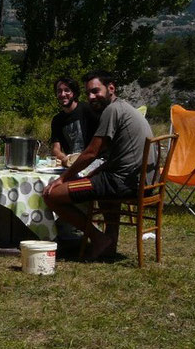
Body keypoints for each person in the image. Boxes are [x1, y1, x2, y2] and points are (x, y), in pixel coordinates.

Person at [42, 70, 155, 260]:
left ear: (111, 88)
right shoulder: (125, 108)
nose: (92, 97)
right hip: (140, 181)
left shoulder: (112, 111)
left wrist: (63, 178)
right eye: (88, 93)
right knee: (98, 183)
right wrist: (94, 172)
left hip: (121, 183)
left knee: (51, 195)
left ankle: (98, 239)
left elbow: (92, 152)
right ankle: (108, 246)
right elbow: (113, 157)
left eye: (96, 91)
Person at [50, 77, 99, 167]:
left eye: (67, 90)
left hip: (93, 163)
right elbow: (56, 149)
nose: (62, 94)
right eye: (59, 91)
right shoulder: (57, 120)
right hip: (71, 165)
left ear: (74, 93)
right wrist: (65, 159)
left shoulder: (88, 110)